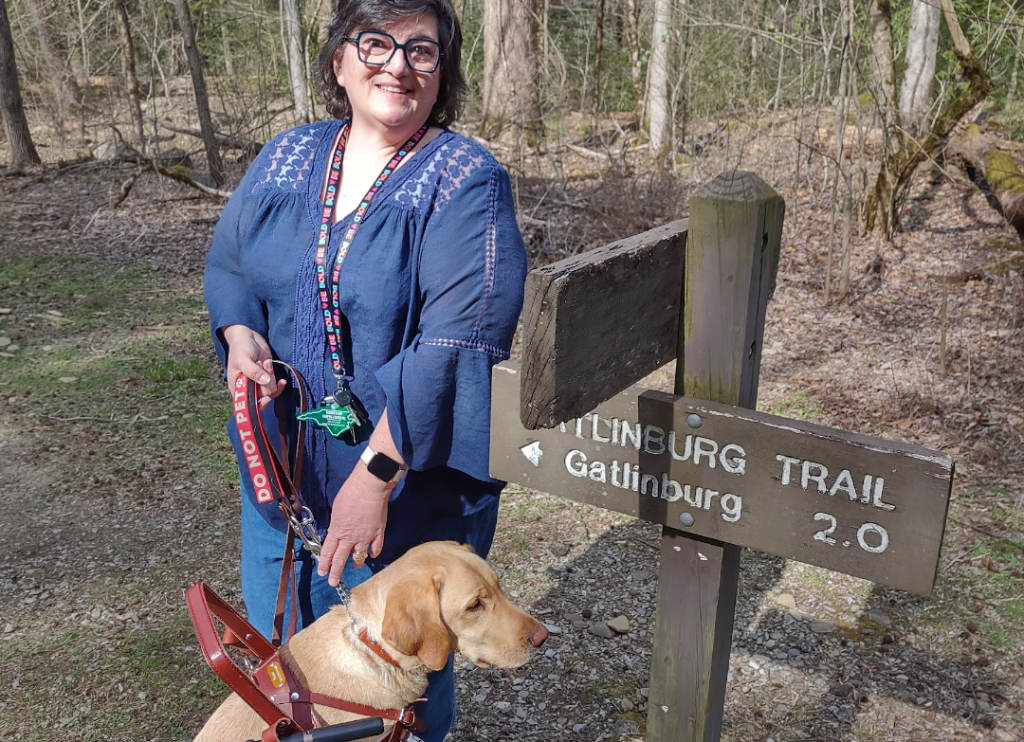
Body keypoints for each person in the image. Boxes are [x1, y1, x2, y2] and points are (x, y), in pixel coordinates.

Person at [202, 1, 527, 739]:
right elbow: (229, 262)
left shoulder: (467, 182)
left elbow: (458, 343)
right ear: (339, 62)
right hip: (287, 471)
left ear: (441, 76)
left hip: (403, 485)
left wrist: (375, 476)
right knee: (290, 664)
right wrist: (240, 328)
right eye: (376, 43)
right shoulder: (288, 155)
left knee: (405, 663)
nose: (398, 65)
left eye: (423, 52)